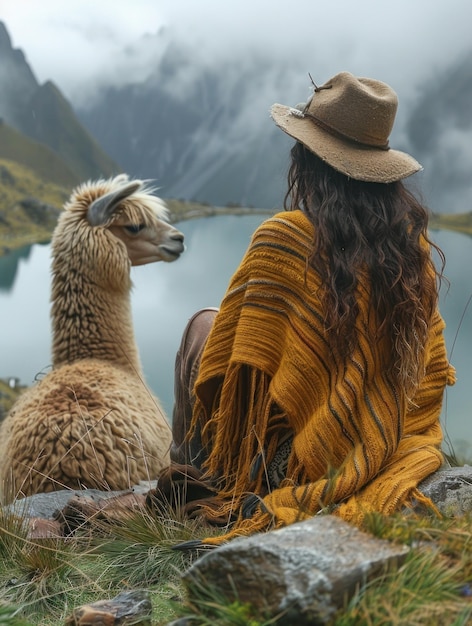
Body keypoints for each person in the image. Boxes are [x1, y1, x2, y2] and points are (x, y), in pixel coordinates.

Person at [158, 71, 456, 545]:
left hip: (294, 461)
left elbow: (235, 351)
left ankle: (195, 468)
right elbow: (428, 374)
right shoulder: (413, 254)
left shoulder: (285, 238)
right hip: (388, 443)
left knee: (202, 326)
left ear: (309, 161)